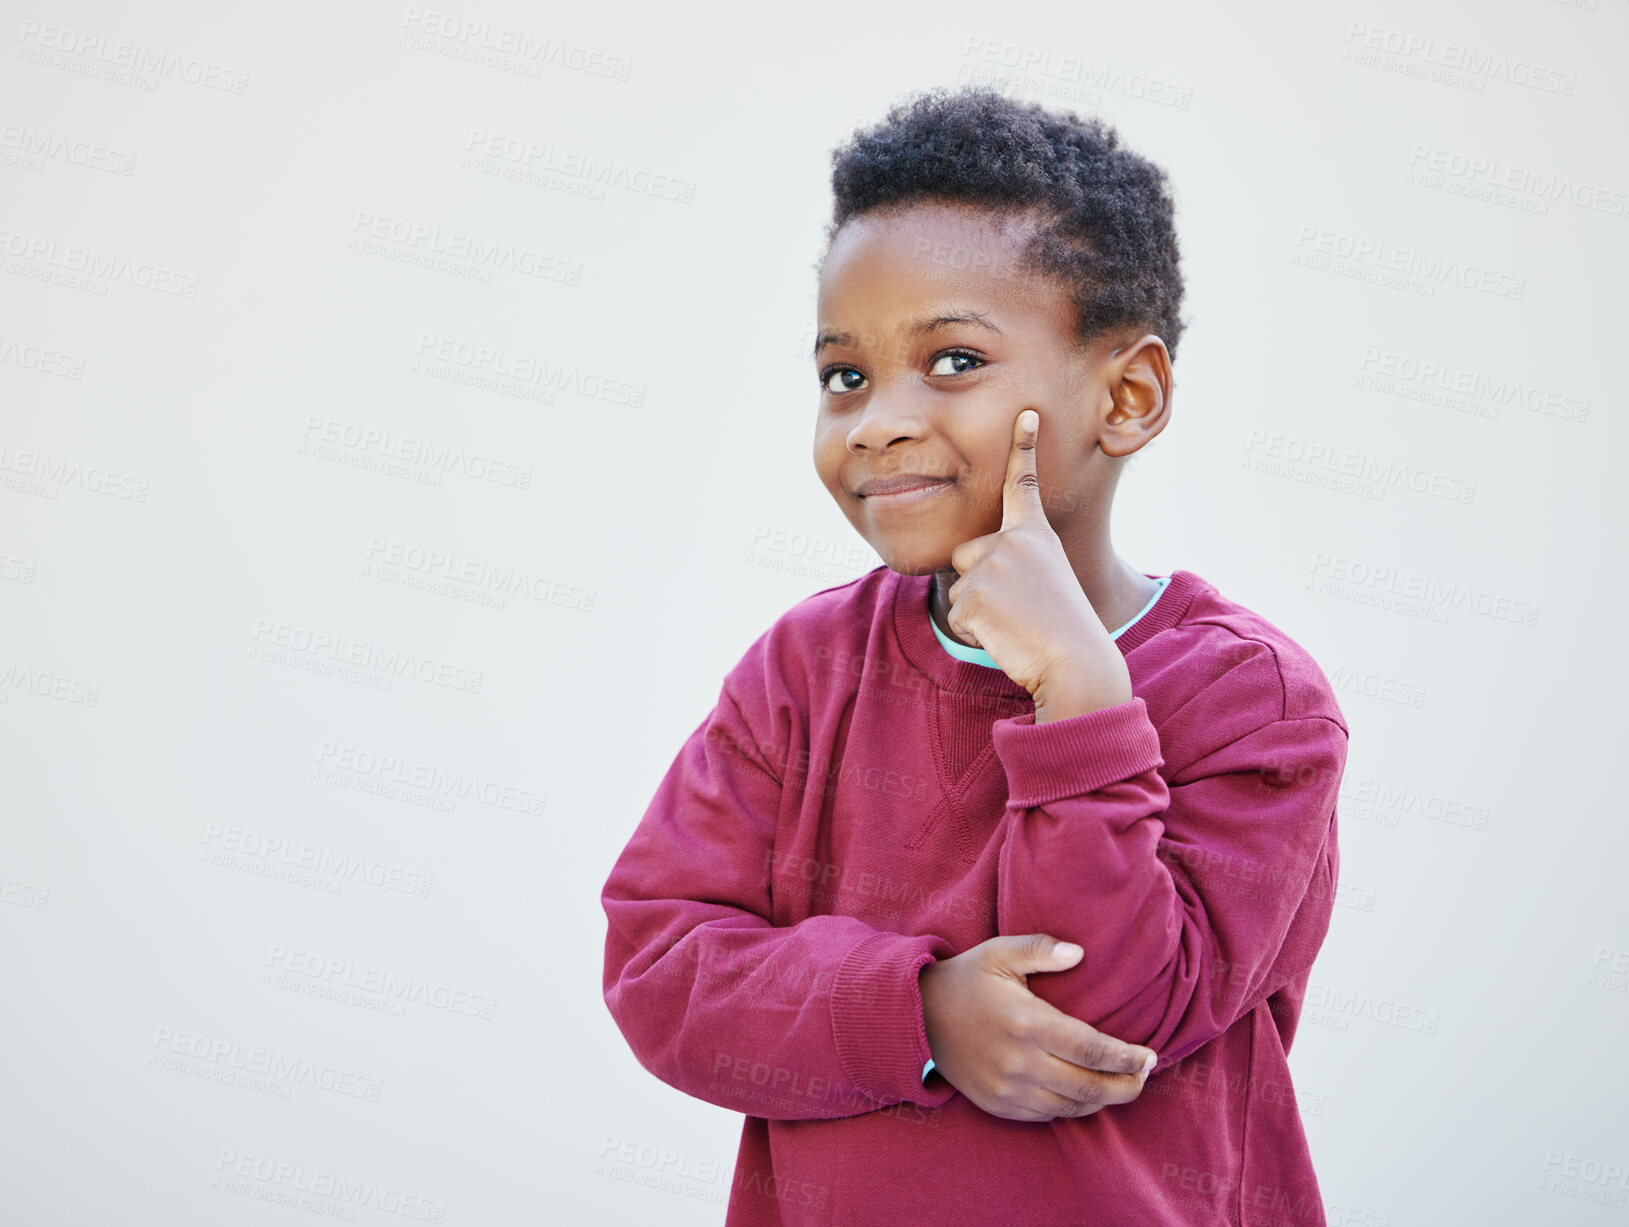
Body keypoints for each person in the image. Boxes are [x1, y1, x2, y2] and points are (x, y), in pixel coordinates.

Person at [600, 83, 1349, 1227]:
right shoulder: (801, 673)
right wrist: (920, 1014)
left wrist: (1084, 698)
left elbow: (1104, 1012)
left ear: (1128, 395)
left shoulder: (1257, 701)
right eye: (844, 374)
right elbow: (661, 968)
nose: (876, 420)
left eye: (951, 361)